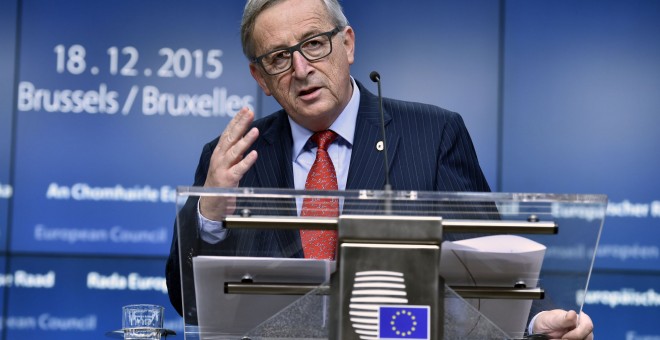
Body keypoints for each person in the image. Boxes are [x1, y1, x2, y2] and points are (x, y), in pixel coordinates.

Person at [166, 0, 594, 338]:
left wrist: (537, 324)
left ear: (347, 44)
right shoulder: (232, 159)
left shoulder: (434, 133)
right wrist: (210, 215)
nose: (301, 69)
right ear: (260, 78)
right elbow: (188, 301)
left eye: (314, 43)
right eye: (279, 57)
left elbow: (487, 265)